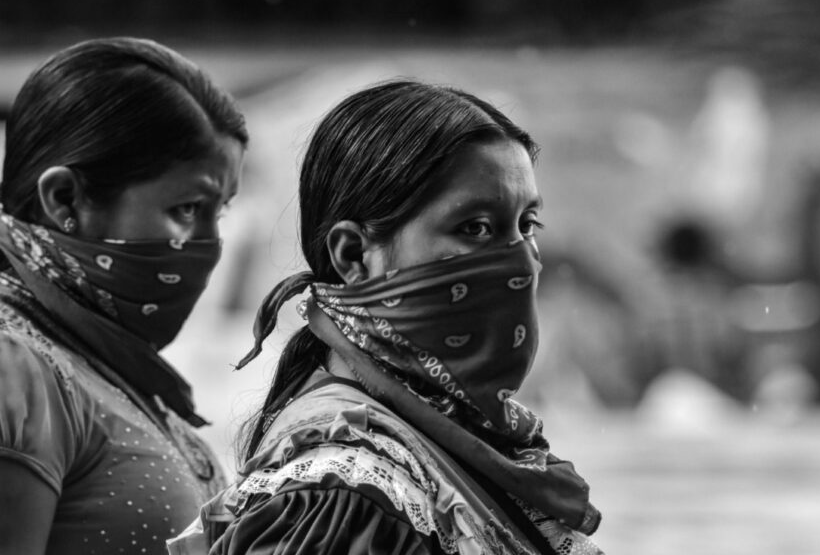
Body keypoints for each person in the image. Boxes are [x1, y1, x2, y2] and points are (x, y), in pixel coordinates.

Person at [169, 80, 602, 555]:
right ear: (353, 255)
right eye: (475, 228)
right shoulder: (343, 492)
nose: (520, 261)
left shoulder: (449, 440)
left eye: (527, 225)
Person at [0, 37, 247, 554]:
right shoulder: (15, 368)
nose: (210, 244)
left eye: (218, 212)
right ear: (65, 198)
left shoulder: (103, 362)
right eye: (186, 208)